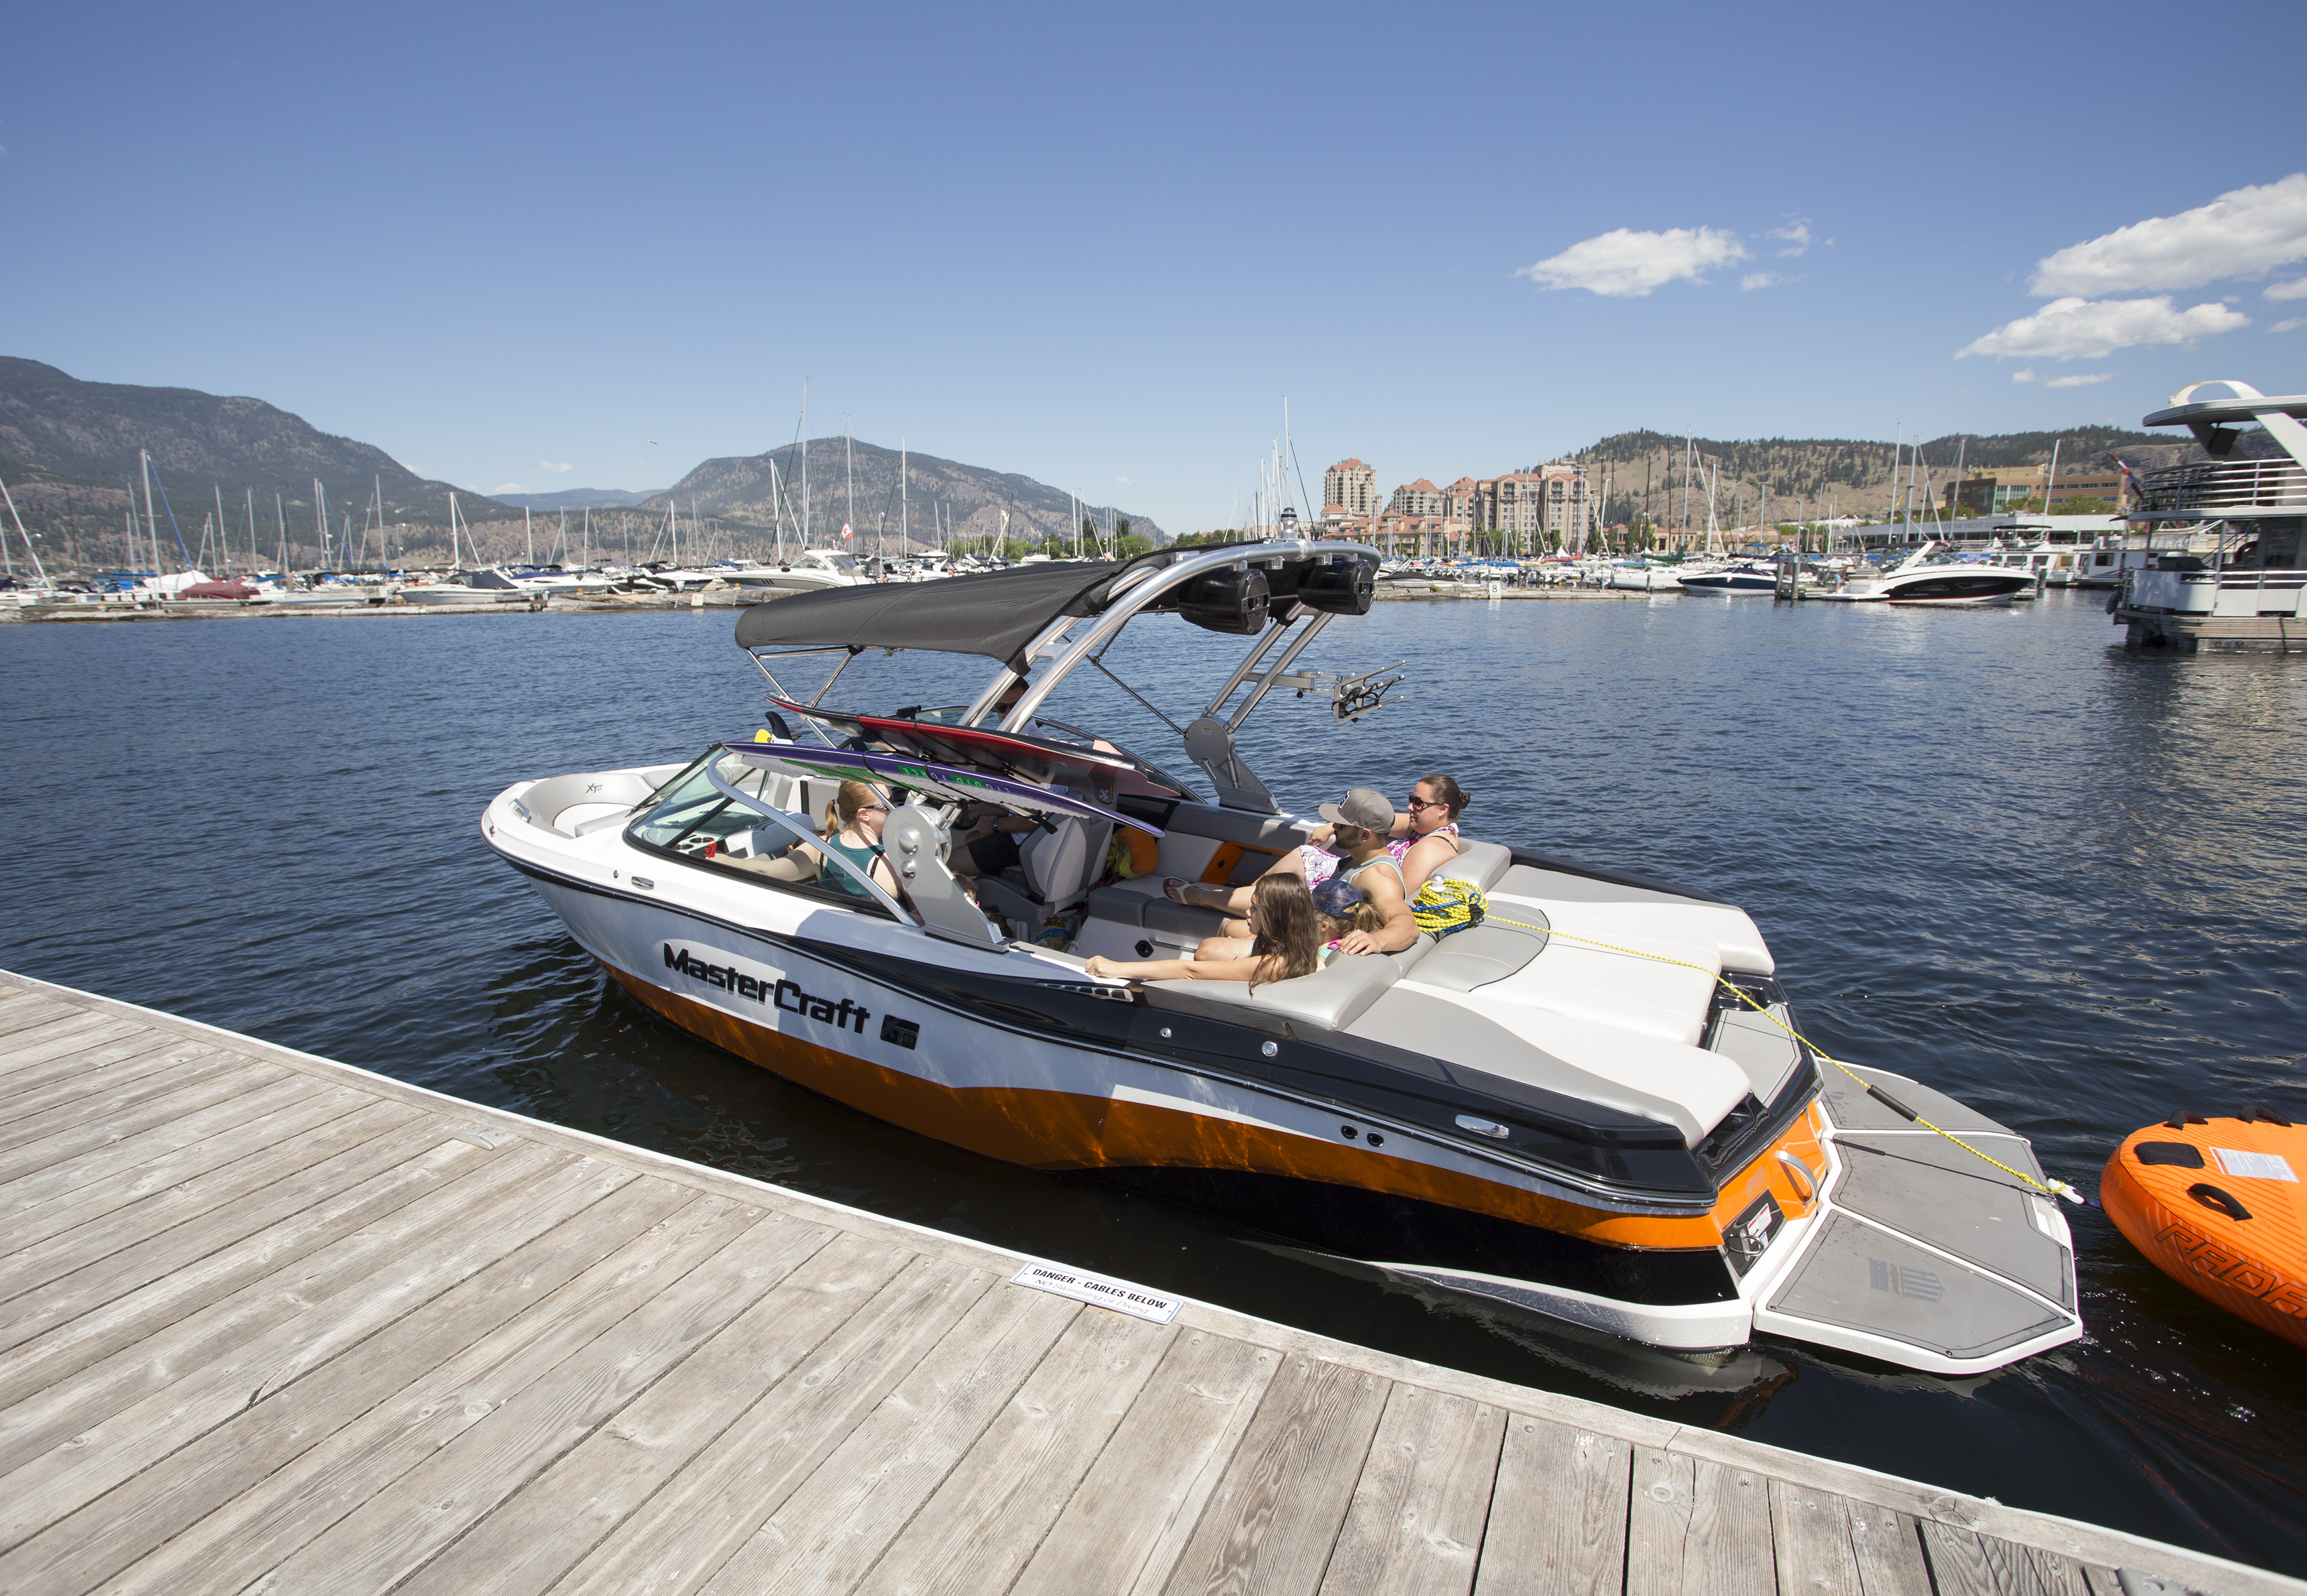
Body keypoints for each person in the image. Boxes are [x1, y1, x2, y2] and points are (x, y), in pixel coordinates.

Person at [1185, 788, 1420, 959]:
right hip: (1309, 930)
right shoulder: (1360, 859)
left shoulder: (1379, 875)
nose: (1334, 827)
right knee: (1230, 928)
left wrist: (1376, 940)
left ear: (1365, 836)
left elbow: (1407, 926)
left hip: (1314, 946)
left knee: (1208, 951)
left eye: (1340, 825)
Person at [1084, 874, 1321, 988]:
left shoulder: (1274, 964)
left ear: (1276, 918)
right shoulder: (1302, 946)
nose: (1249, 913)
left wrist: (1117, 968)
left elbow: (1191, 971)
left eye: (1256, 908)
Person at [807, 780, 907, 902]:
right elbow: (924, 916)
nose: (896, 806)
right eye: (888, 803)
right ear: (864, 814)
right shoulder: (891, 863)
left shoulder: (820, 847)